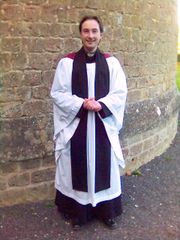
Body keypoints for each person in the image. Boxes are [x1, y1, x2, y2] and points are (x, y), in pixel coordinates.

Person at [50, 15, 127, 230]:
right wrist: (81, 103)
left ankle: (106, 211)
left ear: (101, 34)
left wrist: (101, 105)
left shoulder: (112, 63)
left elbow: (120, 93)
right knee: (77, 166)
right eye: (86, 31)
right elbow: (57, 93)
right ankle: (78, 213)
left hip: (102, 126)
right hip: (77, 127)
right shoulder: (67, 63)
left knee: (104, 166)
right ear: (80, 34)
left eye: (94, 31)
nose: (90, 36)